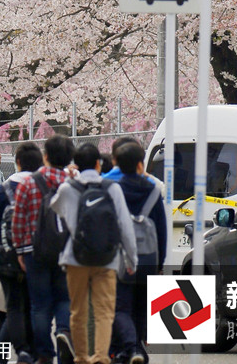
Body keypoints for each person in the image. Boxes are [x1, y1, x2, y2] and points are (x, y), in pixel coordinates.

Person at [51, 143, 137, 364]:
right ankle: (100, 356)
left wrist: (68, 179)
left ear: (76, 165)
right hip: (106, 259)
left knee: (78, 311)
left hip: (75, 257)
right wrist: (131, 258)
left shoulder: (68, 188)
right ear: (99, 164)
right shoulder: (112, 188)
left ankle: (81, 357)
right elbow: (125, 226)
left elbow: (55, 208)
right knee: (104, 311)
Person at [12, 135, 74, 364]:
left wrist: (20, 250)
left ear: (45, 156)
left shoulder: (29, 183)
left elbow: (18, 218)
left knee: (39, 305)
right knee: (64, 299)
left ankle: (44, 354)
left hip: (33, 251)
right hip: (66, 251)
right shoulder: (72, 182)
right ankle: (64, 333)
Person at [112, 141, 167, 364]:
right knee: (143, 308)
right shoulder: (154, 190)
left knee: (122, 308)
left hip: (122, 259)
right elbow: (161, 228)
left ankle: (132, 349)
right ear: (140, 164)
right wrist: (160, 262)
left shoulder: (115, 190)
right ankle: (137, 348)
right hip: (149, 258)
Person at [0, 141, 43, 363]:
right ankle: (29, 351)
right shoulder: (44, 187)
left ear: (18, 162)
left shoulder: (4, 190)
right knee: (32, 307)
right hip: (36, 256)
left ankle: (13, 354)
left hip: (8, 257)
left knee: (13, 308)